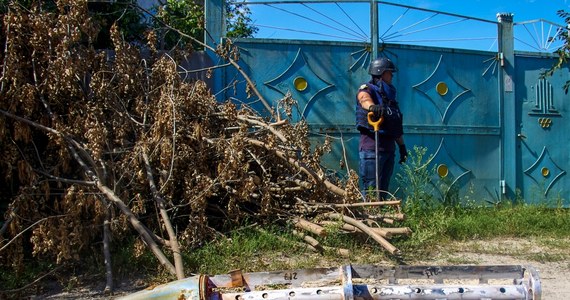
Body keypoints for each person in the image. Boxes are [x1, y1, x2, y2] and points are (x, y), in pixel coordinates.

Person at [355, 57, 407, 200]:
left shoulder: (390, 98)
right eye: (390, 72)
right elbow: (363, 99)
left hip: (389, 150)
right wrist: (372, 107)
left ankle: (382, 219)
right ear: (381, 72)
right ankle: (368, 220)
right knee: (371, 189)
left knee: (383, 191)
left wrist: (402, 147)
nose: (392, 75)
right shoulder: (367, 88)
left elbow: (394, 125)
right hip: (372, 149)